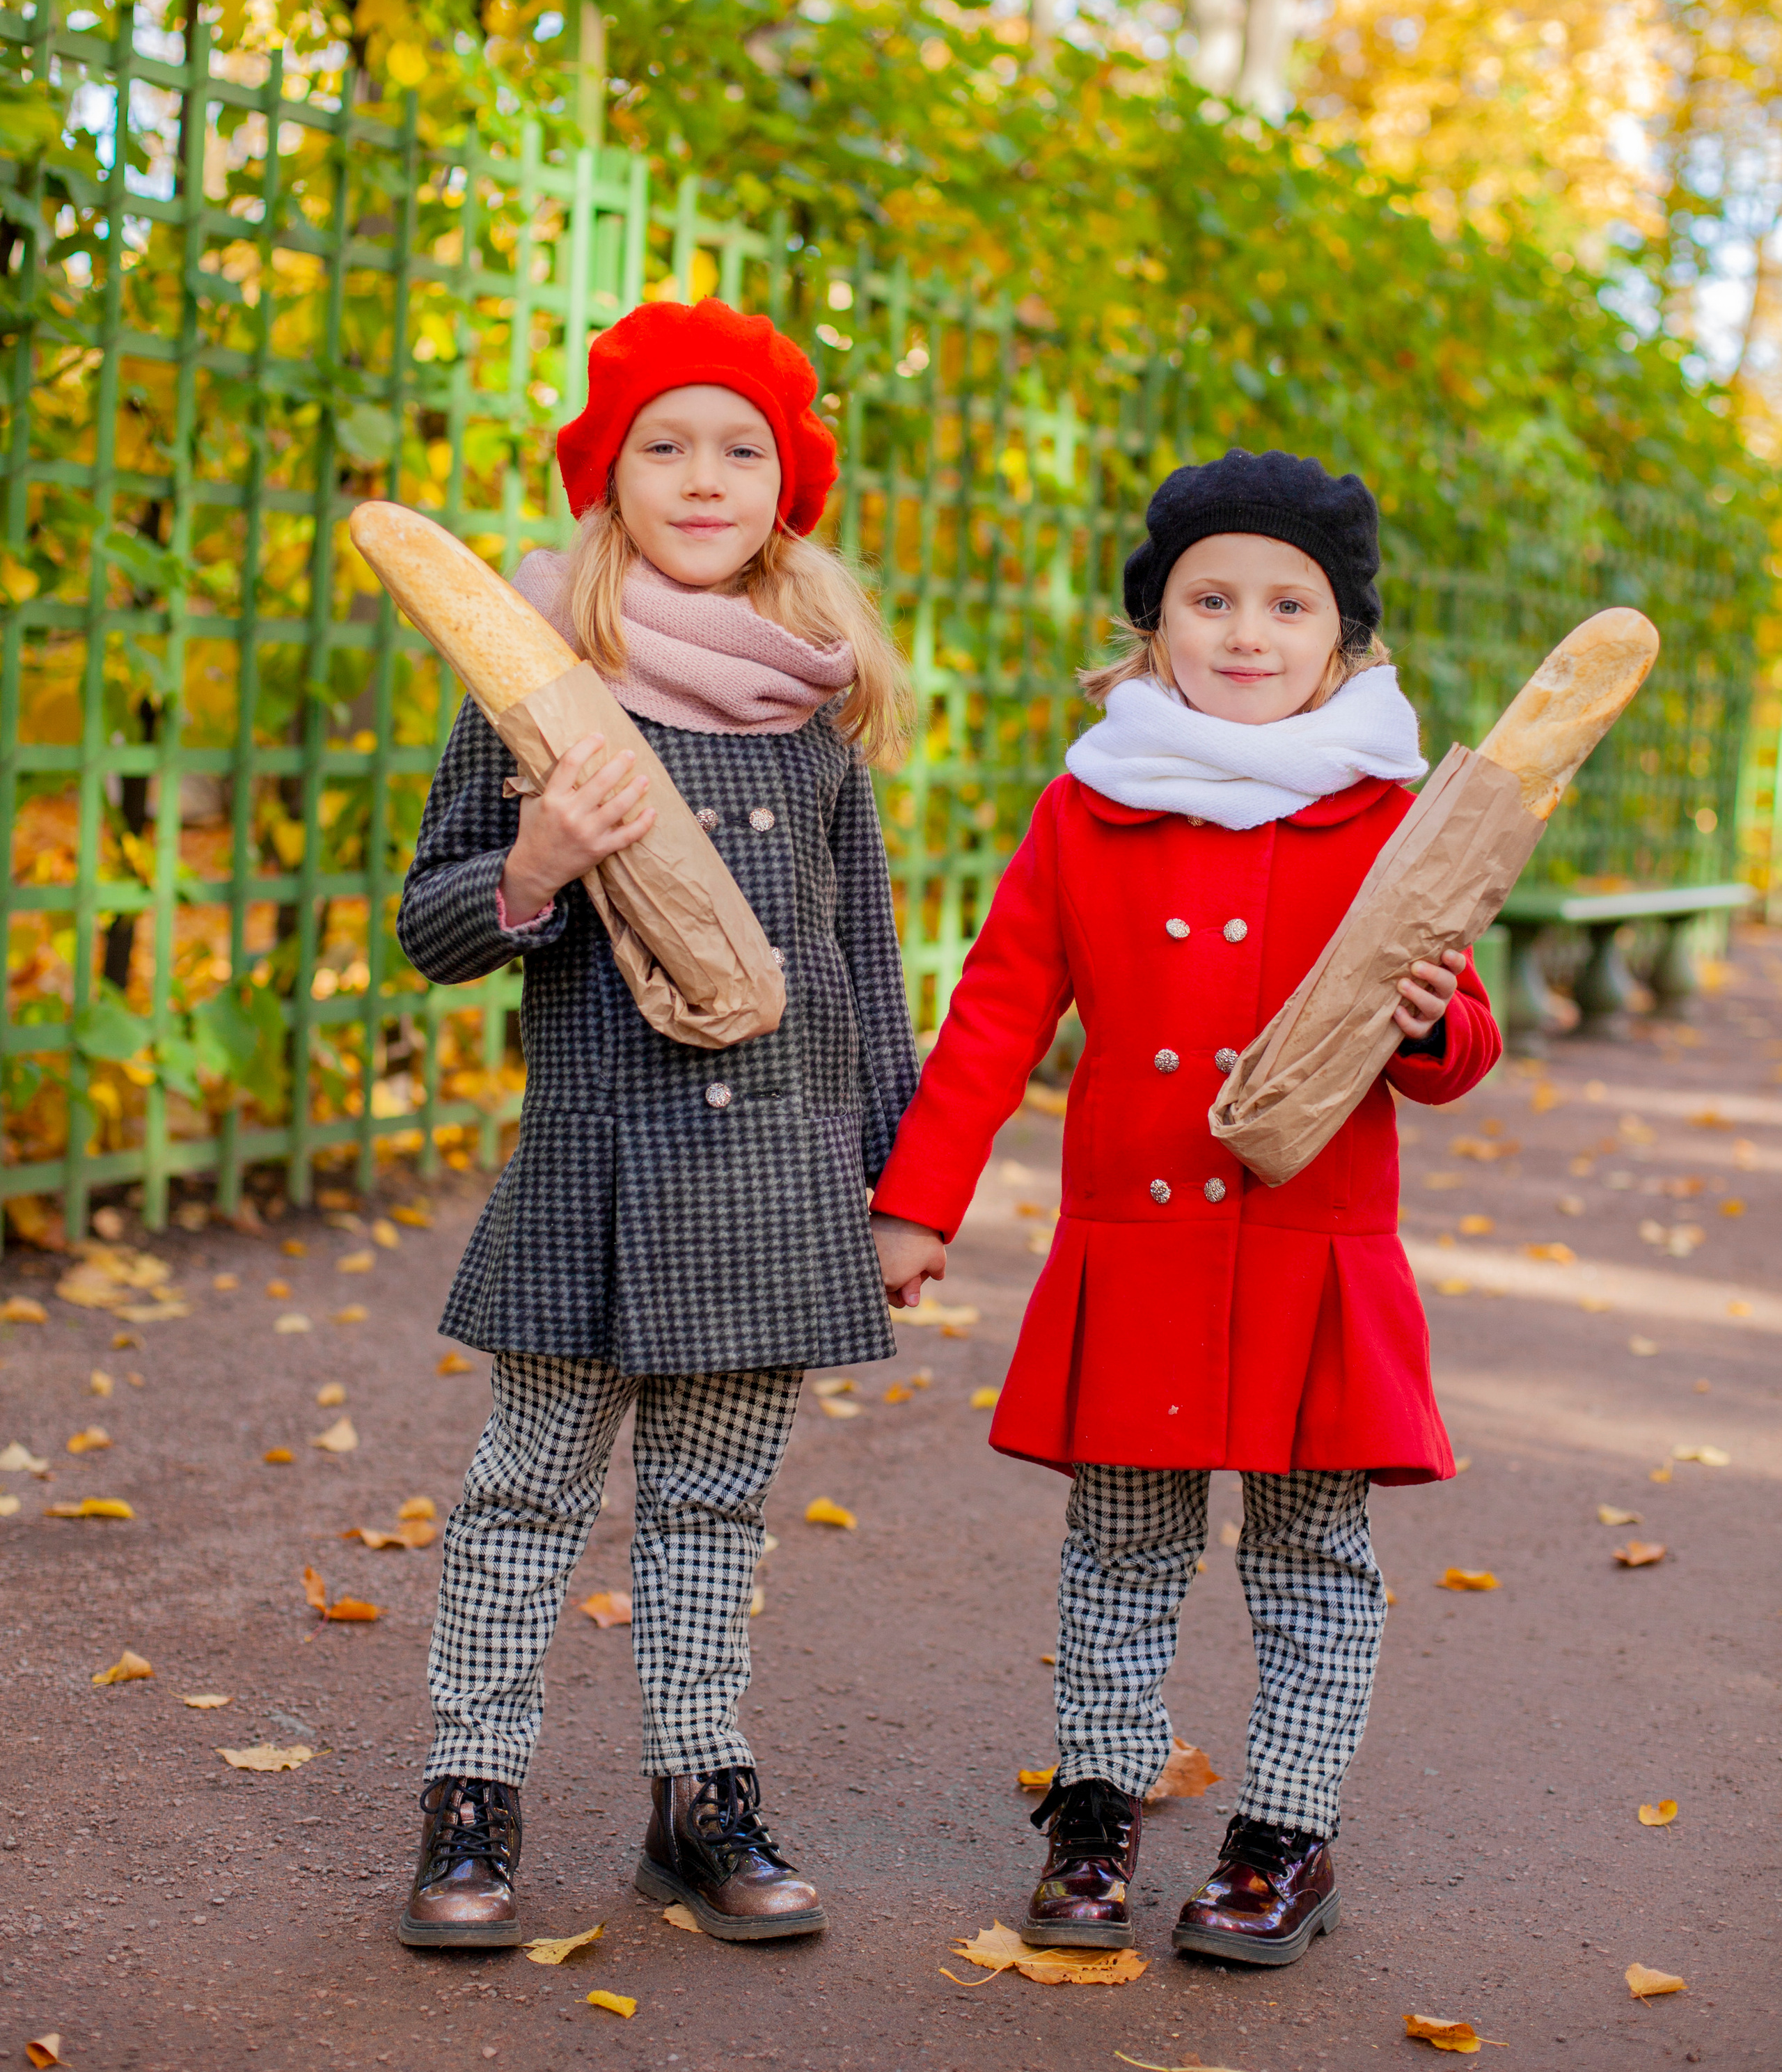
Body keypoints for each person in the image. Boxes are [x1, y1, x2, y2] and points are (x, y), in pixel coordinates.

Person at [869, 449, 1501, 1967]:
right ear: (1152, 627)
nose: (1244, 631)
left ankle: (1284, 1828)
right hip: (1137, 1249)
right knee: (1121, 1552)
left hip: (1309, 1253)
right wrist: (917, 1203)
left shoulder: (1388, 816)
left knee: (1308, 1560)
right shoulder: (1088, 809)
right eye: (1207, 599)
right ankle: (1094, 1799)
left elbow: (1460, 1041)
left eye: (1286, 604)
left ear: (1341, 641)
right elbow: (993, 1015)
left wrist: (1421, 1021)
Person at [395, 297, 917, 1949]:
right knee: (525, 1491)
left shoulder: (815, 710)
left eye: (741, 447)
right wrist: (534, 863)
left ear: (790, 485)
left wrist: (895, 1186)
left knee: (710, 1507)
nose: (704, 476)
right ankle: (471, 1798)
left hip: (776, 1168)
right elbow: (428, 923)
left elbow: (866, 960)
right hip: (596, 1167)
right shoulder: (532, 685)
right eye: (663, 445)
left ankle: (699, 1797)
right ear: (607, 480)